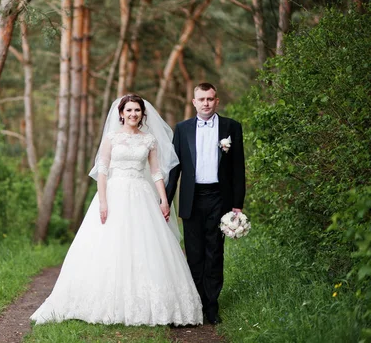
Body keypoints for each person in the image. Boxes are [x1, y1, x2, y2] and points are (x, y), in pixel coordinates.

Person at [30, 94, 203, 326]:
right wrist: (103, 201)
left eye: (137, 111)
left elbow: (156, 173)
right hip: (114, 193)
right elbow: (102, 170)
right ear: (121, 113)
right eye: (129, 110)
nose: (133, 114)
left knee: (145, 247)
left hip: (142, 195)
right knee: (108, 244)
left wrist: (163, 199)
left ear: (143, 114)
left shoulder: (149, 140)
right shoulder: (111, 138)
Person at [166, 82, 246, 325]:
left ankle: (212, 306)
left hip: (219, 198)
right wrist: (166, 202)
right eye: (201, 99)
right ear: (194, 102)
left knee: (215, 253)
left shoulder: (231, 127)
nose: (206, 103)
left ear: (217, 100)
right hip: (192, 198)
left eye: (210, 99)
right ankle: (195, 304)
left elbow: (238, 168)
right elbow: (175, 168)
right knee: (194, 254)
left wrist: (237, 203)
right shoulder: (182, 129)